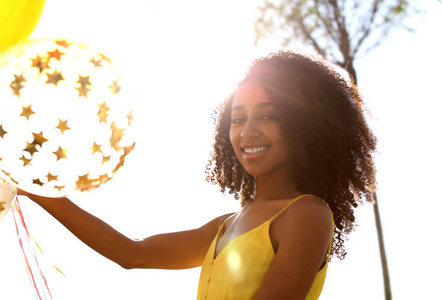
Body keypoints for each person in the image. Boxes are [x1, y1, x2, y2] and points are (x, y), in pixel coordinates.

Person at [18, 51, 377, 300]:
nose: (247, 132)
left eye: (268, 116)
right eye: (238, 119)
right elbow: (132, 253)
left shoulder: (307, 214)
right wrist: (34, 187)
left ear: (307, 126)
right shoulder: (226, 225)